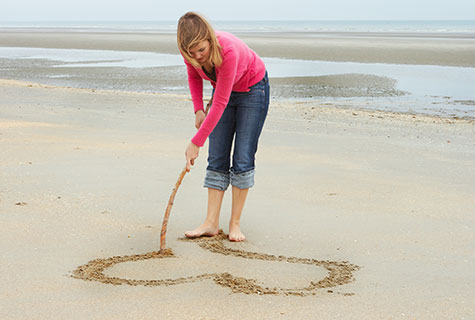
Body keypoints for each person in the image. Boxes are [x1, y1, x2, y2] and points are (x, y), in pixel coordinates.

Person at [177, 12, 269, 242]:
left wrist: (196, 141)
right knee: (217, 156)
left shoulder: (227, 50)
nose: (197, 56)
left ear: (209, 38)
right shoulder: (188, 51)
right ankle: (210, 223)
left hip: (252, 90)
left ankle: (234, 223)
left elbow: (220, 102)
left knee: (242, 157)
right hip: (224, 92)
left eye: (202, 50)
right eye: (192, 53)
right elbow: (193, 75)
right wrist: (198, 108)